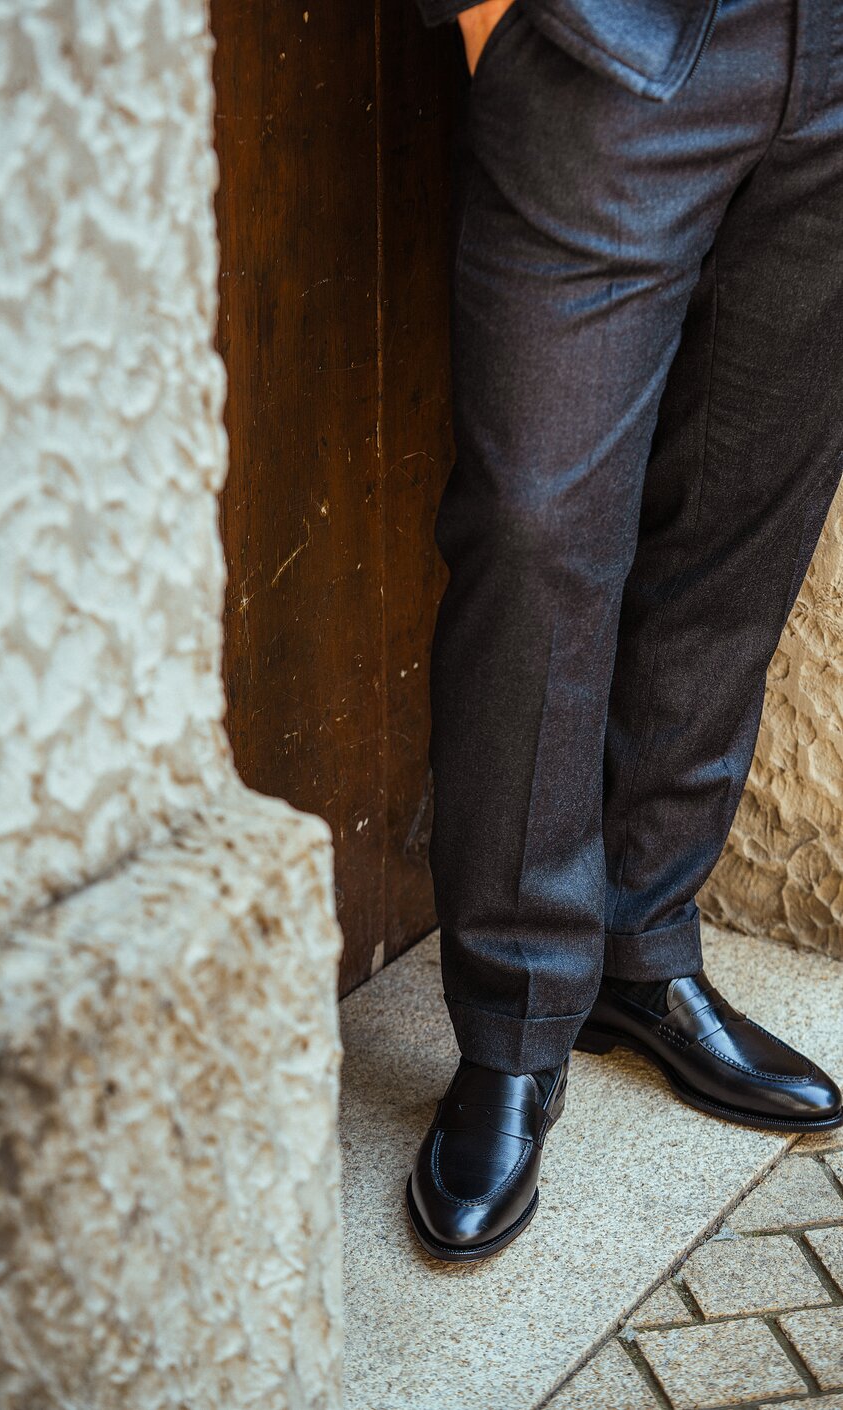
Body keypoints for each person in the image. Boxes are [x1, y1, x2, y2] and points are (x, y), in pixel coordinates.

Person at [405, 0, 843, 1263]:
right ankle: (514, 1024)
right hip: (610, 46)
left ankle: (640, 950)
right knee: (537, 534)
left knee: (742, 518)